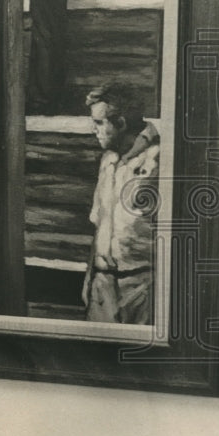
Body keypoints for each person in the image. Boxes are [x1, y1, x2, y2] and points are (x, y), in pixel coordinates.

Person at [82, 82, 160, 324]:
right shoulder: (108, 161)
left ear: (121, 123)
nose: (93, 130)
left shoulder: (159, 160)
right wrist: (90, 278)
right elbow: (100, 222)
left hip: (141, 286)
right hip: (103, 286)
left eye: (99, 123)